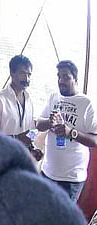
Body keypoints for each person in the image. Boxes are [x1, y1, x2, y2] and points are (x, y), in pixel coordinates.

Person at [35, 60, 97, 202]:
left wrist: (71, 133)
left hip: (70, 179)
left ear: (75, 79)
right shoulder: (54, 97)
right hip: (47, 172)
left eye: (66, 77)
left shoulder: (86, 103)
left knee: (62, 221)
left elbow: (94, 140)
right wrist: (49, 122)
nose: (61, 81)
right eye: (59, 76)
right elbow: (39, 124)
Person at [0, 55, 37, 152]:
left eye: (29, 75)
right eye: (22, 73)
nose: (26, 79)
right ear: (12, 73)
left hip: (22, 159)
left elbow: (32, 130)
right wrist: (17, 138)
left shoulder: (29, 100)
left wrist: (32, 149)